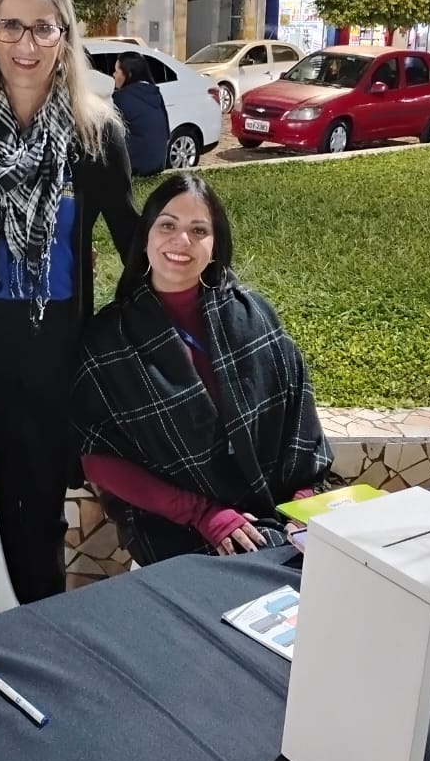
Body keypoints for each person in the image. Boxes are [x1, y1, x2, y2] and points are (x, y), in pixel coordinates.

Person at [0, 0, 138, 604]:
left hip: (57, 349)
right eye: (11, 26)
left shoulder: (95, 132)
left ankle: (39, 642)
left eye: (42, 28)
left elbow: (130, 242)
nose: (25, 45)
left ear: (64, 37)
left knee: (45, 513)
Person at [72, 173, 333, 566]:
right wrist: (202, 513)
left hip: (281, 514)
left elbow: (300, 420)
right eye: (167, 225)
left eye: (198, 230)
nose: (182, 241)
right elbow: (96, 457)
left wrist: (303, 507)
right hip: (176, 525)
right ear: (145, 237)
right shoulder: (109, 339)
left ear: (215, 246)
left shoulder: (254, 317)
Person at [112, 51, 169, 176]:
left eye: (116, 71)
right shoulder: (155, 93)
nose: (113, 75)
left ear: (129, 74)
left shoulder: (121, 97)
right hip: (159, 163)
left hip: (135, 168)